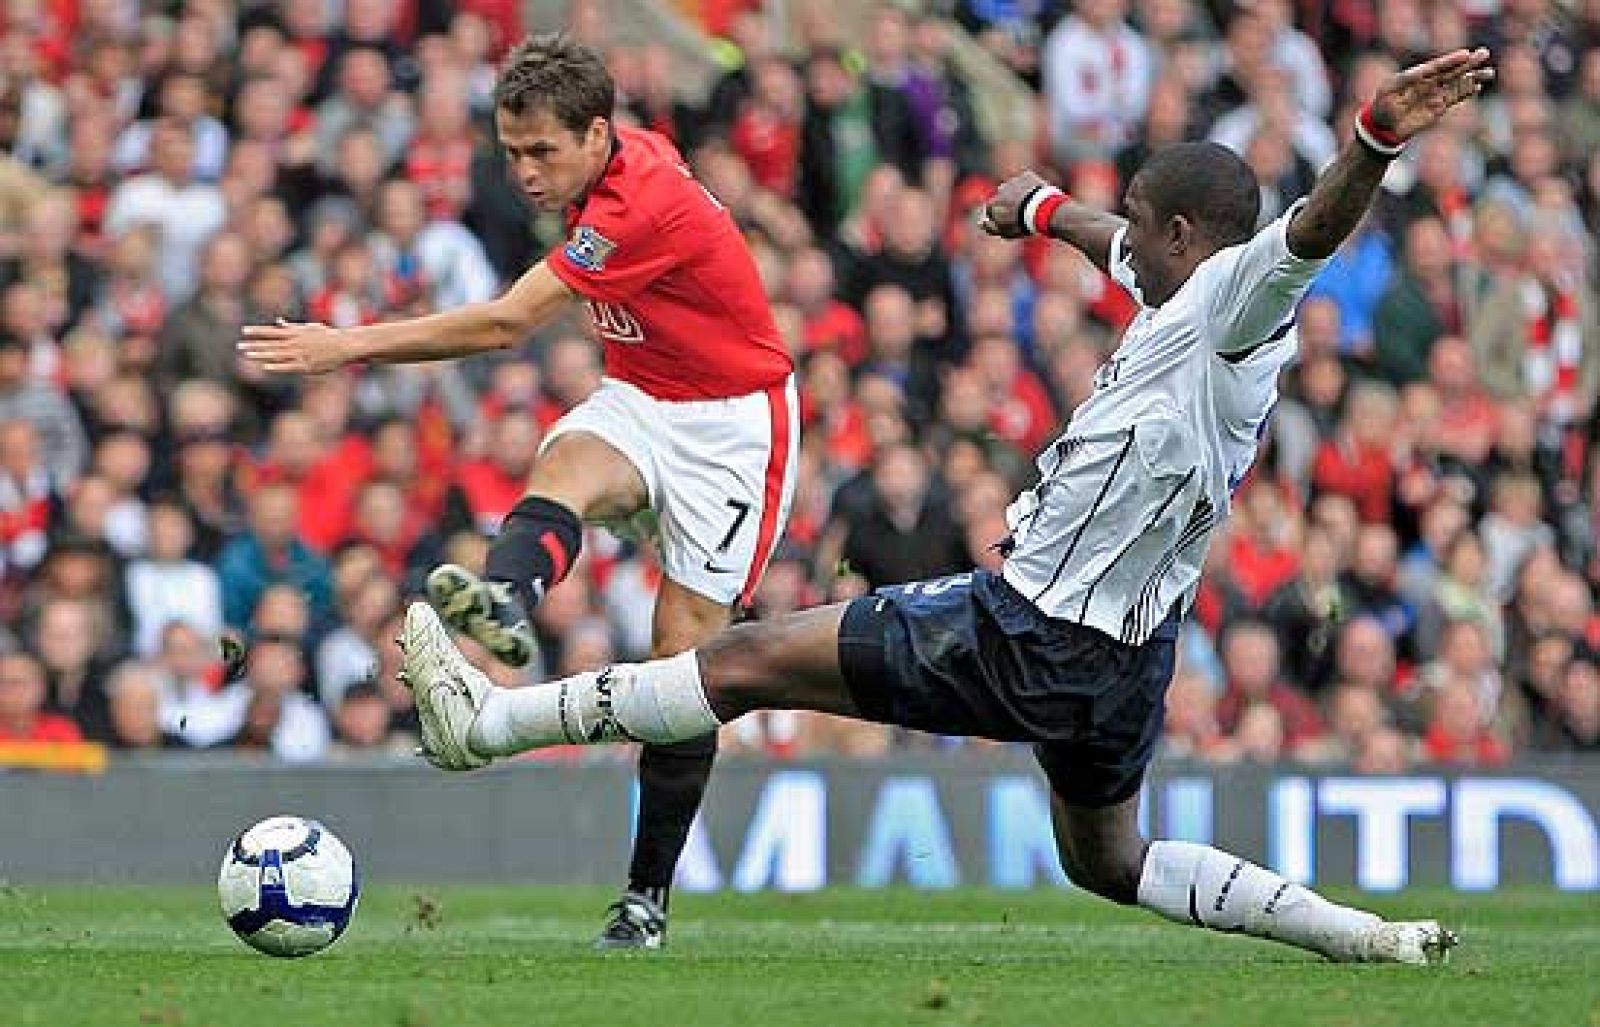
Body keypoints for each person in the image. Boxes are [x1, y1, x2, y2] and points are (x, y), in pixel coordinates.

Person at [397, 49, 1496, 964]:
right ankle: (1362, 937)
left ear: (1184, 242)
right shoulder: (1182, 285)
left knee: (738, 663)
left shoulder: (1231, 303)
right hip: (1125, 656)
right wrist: (1045, 209)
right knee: (1109, 862)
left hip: (1026, 627)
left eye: (1142, 229)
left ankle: (484, 726)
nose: (1126, 248)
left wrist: (1374, 140)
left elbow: (1306, 234)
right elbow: (1119, 244)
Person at [239, 34, 799, 949]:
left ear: (595, 135)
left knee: (681, 669)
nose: (527, 171)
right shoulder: (607, 168)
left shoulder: (635, 202)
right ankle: (506, 596)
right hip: (643, 394)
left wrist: (347, 345)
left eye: (544, 151)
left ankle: (646, 896)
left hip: (735, 428)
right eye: (512, 152)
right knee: (567, 461)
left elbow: (505, 324)